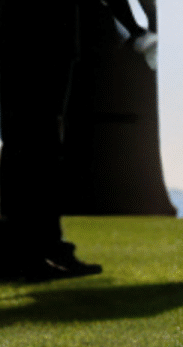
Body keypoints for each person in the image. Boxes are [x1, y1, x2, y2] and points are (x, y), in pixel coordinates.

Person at [0, 0, 154, 282]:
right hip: (34, 38)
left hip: (32, 35)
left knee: (34, 144)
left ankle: (44, 248)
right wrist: (134, 26)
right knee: (31, 145)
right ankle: (24, 255)